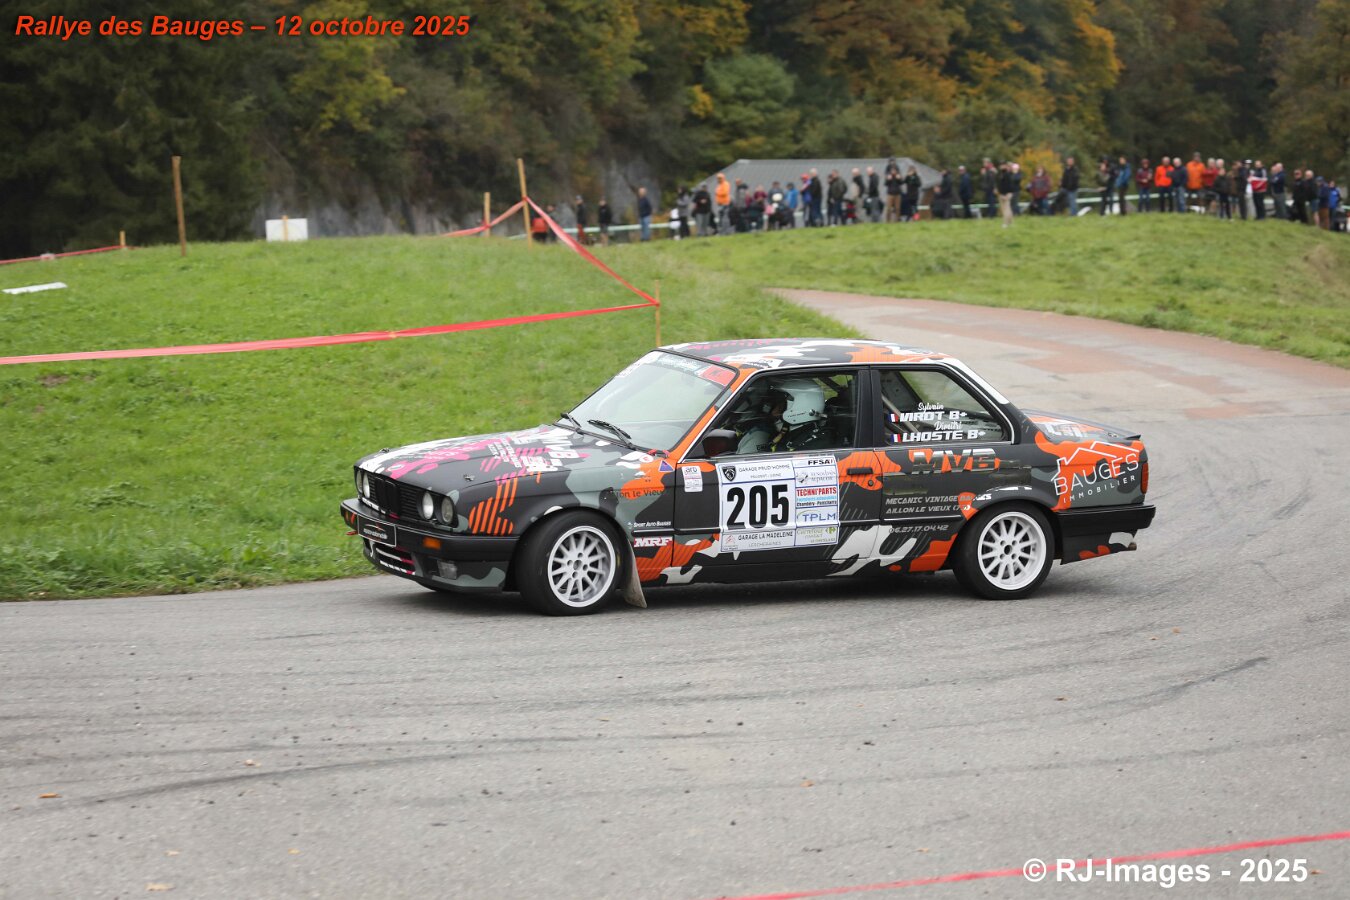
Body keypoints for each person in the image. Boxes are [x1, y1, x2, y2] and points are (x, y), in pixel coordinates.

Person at [736, 378, 833, 454]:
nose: (773, 411)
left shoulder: (814, 445)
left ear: (798, 407)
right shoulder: (791, 435)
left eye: (780, 405)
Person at [997, 162, 1016, 227]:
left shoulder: (1007, 174)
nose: (1001, 166)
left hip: (1006, 194)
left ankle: (1005, 223)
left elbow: (1009, 185)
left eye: (1003, 165)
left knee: (1006, 209)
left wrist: (1006, 194)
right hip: (1002, 193)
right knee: (1007, 208)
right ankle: (1011, 222)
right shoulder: (1001, 174)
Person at [884, 158, 902, 222]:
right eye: (892, 170)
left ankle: (897, 220)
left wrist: (899, 179)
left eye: (894, 170)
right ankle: (888, 221)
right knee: (889, 208)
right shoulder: (888, 175)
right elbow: (885, 184)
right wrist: (888, 180)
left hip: (897, 193)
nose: (893, 171)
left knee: (897, 208)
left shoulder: (898, 175)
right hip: (890, 193)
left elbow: (901, 183)